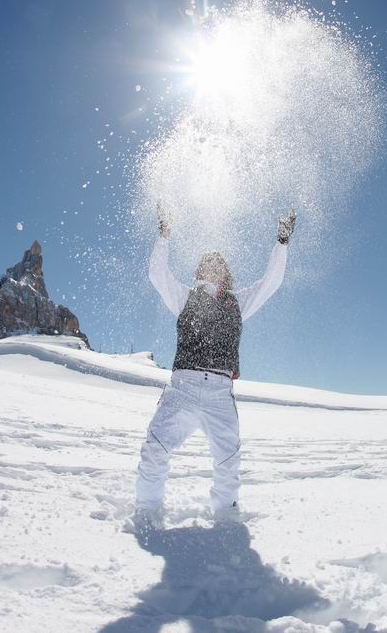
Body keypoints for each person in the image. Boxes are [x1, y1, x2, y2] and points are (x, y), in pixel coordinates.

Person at [134, 205, 296, 529]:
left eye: (218, 263)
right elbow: (157, 274)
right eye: (207, 263)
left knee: (228, 463)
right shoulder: (184, 296)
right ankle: (147, 515)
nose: (213, 266)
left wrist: (281, 242)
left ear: (225, 272)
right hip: (182, 387)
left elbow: (271, 282)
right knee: (154, 451)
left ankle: (226, 522)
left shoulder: (238, 301)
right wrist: (164, 236)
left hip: (221, 393)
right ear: (199, 270)